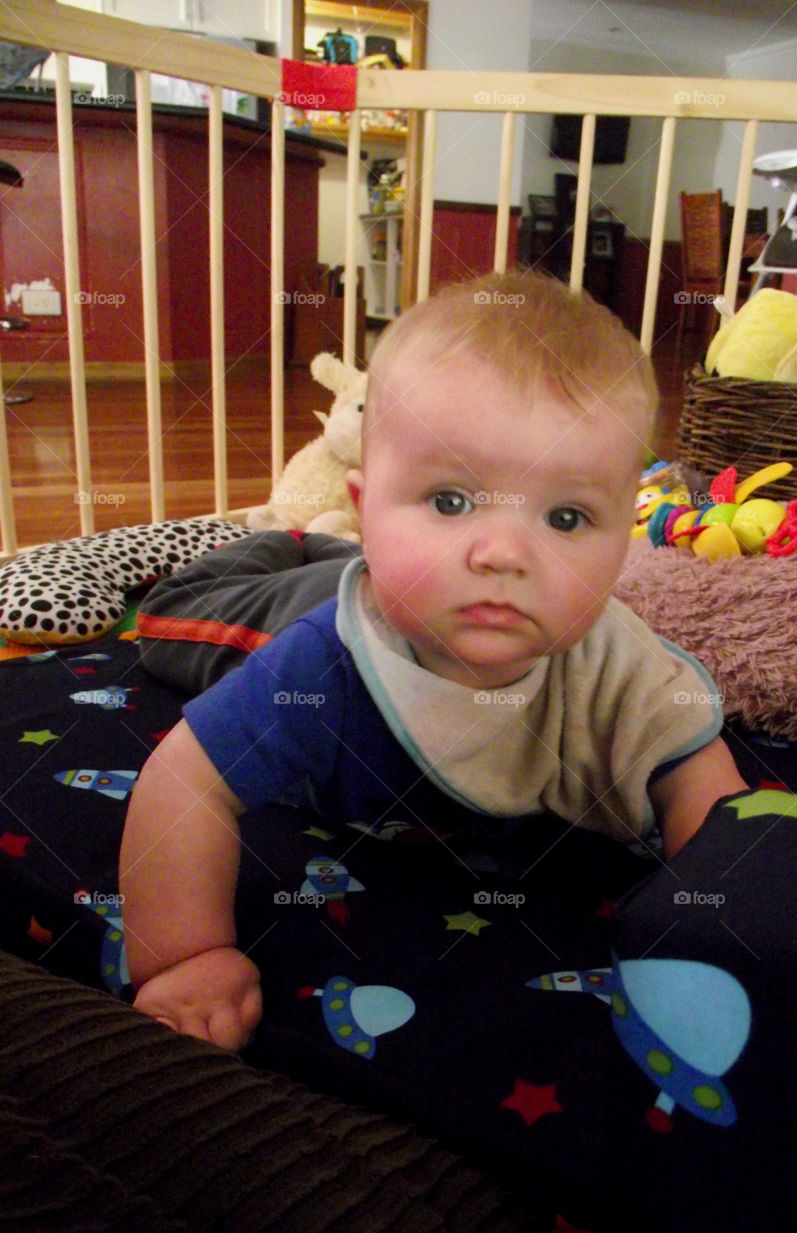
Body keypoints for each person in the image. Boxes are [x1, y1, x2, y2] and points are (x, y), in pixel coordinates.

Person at [119, 271, 747, 1052]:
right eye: (450, 501)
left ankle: (314, 540)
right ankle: (280, 541)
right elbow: (185, 781)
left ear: (626, 534)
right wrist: (186, 954)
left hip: (386, 568)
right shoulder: (323, 664)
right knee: (174, 618)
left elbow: (704, 788)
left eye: (566, 516)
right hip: (298, 606)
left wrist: (725, 924)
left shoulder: (616, 663)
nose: (503, 553)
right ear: (366, 501)